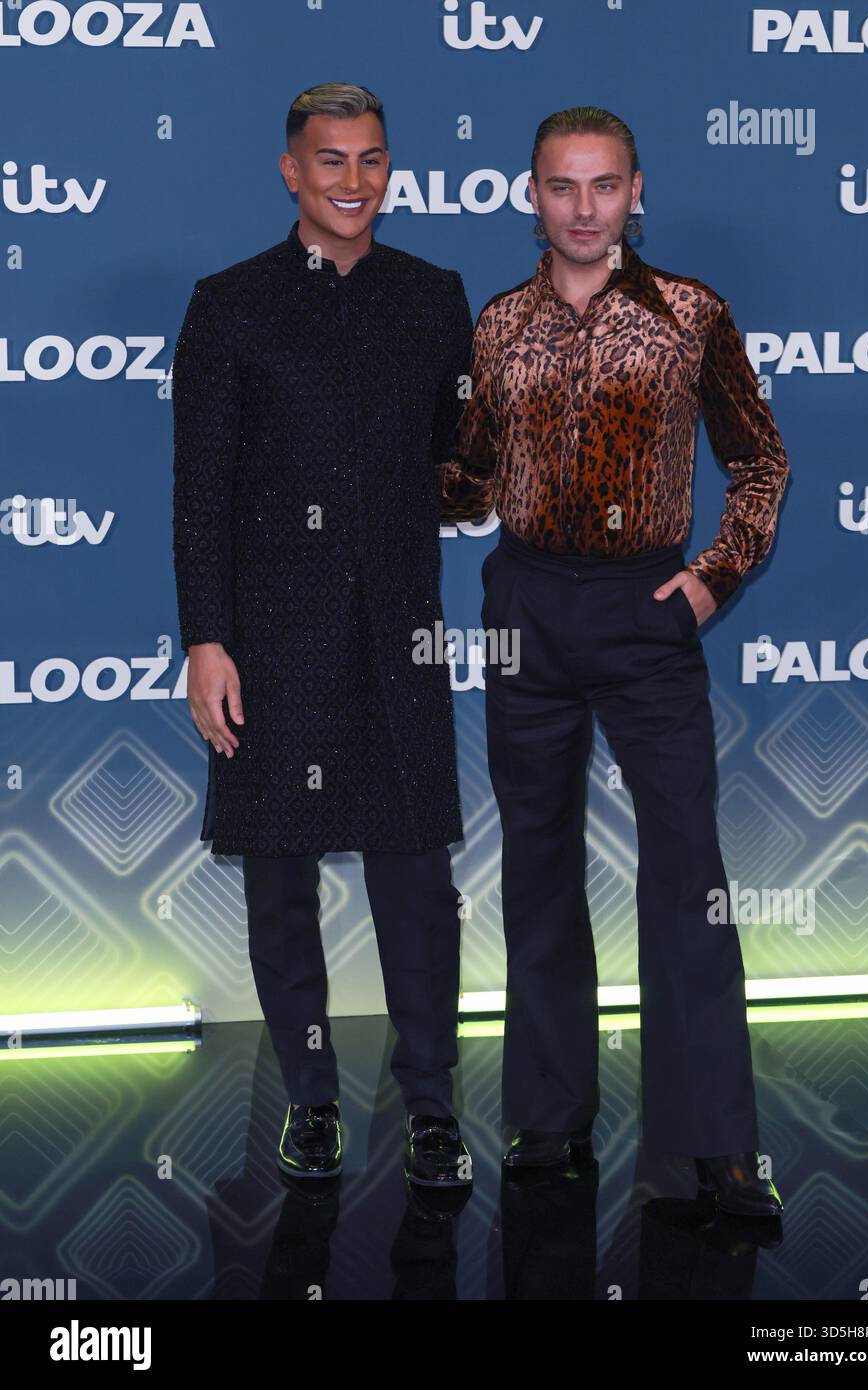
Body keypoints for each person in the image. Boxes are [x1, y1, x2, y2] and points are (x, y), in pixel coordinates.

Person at [439, 106, 790, 1217]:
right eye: (560, 186)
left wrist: (711, 579)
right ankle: (548, 1120)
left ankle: (716, 1146)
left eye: (602, 187)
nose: (583, 209)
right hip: (527, 604)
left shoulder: (690, 316)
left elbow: (760, 460)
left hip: (647, 610)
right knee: (536, 868)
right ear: (529, 195)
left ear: (636, 190)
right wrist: (375, 471)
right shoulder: (495, 328)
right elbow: (472, 481)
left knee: (688, 875)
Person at [172, 82, 475, 1187]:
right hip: (273, 635)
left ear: (390, 169)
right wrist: (207, 638)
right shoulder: (231, 304)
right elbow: (199, 492)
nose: (354, 181)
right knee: (279, 879)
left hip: (399, 631)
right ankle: (309, 1099)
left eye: (372, 160)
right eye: (331, 161)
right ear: (291, 171)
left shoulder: (434, 297)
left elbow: (455, 461)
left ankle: (432, 1103)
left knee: (415, 879)